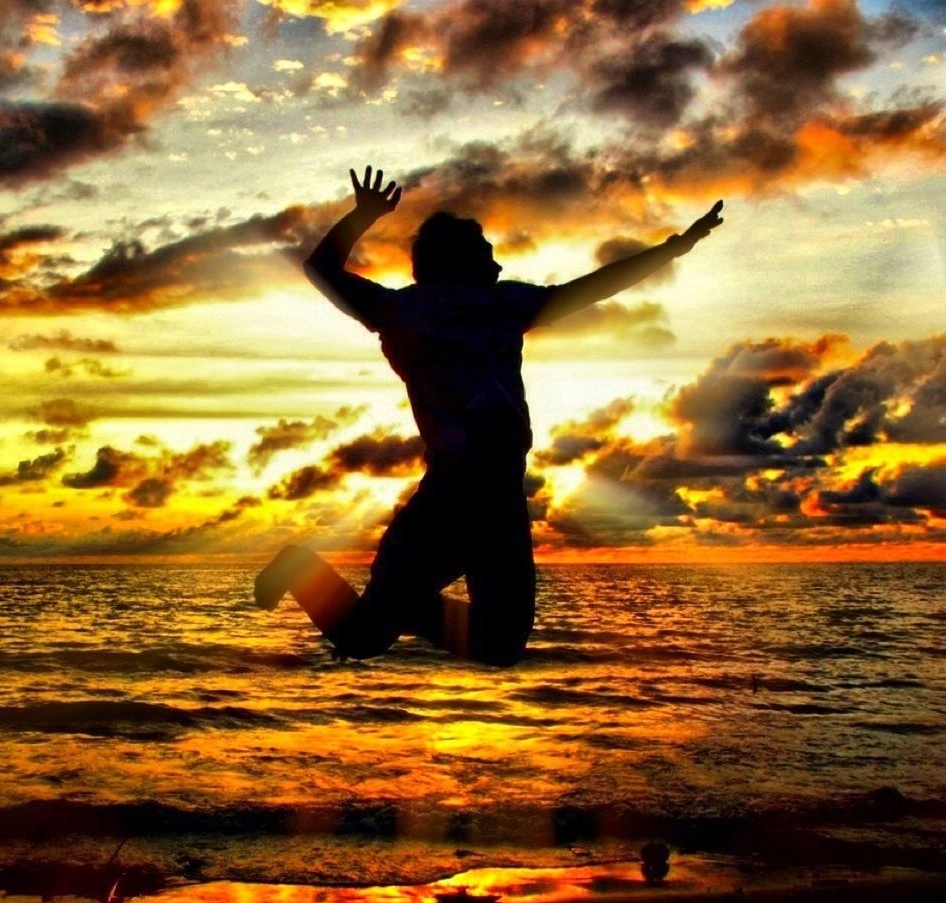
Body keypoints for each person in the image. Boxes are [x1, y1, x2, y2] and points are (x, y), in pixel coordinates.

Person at [255, 166, 723, 666]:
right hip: (452, 497)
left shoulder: (496, 305)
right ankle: (312, 572)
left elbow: (592, 287)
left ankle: (400, 601)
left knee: (494, 646)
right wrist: (672, 248)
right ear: (459, 262)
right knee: (365, 639)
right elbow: (322, 272)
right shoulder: (410, 311)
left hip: (499, 498)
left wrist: (673, 248)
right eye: (488, 257)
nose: (498, 268)